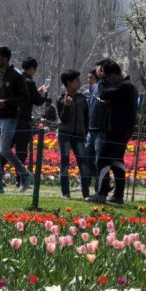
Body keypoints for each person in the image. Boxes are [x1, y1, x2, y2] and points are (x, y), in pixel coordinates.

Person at [89, 60, 136, 204]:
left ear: (113, 75)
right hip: (123, 130)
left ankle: (102, 193)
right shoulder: (129, 87)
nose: (108, 80)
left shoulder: (124, 87)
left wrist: (102, 80)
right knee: (117, 161)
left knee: (103, 160)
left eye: (108, 77)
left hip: (116, 130)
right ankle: (118, 195)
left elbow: (103, 94)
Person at [0, 47, 31, 194]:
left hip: (9, 118)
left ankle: (25, 175)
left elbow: (24, 98)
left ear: (5, 58)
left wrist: (6, 102)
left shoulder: (17, 76)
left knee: (4, 149)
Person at [10, 57, 49, 188]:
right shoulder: (29, 82)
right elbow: (37, 101)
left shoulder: (15, 79)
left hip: (11, 119)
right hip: (23, 121)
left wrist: (36, 93)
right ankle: (20, 179)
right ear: (32, 68)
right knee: (21, 151)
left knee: (6, 149)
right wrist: (45, 96)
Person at [55, 70, 91, 198]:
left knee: (83, 163)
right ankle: (66, 193)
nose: (79, 83)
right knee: (65, 163)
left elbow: (87, 117)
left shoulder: (82, 98)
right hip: (65, 134)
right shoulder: (60, 99)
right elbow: (63, 118)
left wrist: (85, 132)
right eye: (76, 81)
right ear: (69, 83)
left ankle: (86, 193)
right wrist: (66, 106)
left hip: (79, 135)